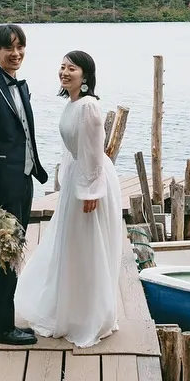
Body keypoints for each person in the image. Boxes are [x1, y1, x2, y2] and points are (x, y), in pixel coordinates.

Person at [15, 50, 121, 348]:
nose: (64, 72)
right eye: (62, 67)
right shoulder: (72, 104)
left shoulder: (89, 107)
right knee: (71, 243)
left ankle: (90, 314)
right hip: (75, 175)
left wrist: (91, 192)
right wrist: (65, 181)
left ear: (85, 76)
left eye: (71, 68)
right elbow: (72, 149)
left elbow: (93, 152)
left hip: (90, 180)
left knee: (87, 244)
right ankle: (69, 306)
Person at [0, 24, 49, 345]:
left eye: (20, 48)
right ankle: (1, 329)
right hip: (1, 185)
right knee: (6, 254)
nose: (15, 54)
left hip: (24, 179)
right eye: (8, 49)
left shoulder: (19, 86)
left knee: (6, 253)